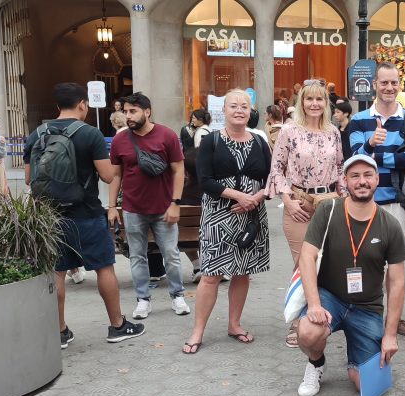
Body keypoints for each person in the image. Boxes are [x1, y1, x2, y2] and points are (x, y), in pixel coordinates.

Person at [24, 82, 145, 348]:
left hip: (49, 216)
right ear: (82, 104)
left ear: (57, 106)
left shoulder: (36, 134)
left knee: (56, 271)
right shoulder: (89, 134)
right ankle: (117, 325)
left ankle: (60, 332)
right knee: (103, 267)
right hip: (86, 212)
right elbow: (107, 175)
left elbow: (28, 178)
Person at [294, 155, 405, 396]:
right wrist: (314, 304)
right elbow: (306, 257)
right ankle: (316, 362)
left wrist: (390, 335)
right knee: (307, 332)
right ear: (345, 181)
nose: (362, 181)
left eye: (368, 175)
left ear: (377, 180)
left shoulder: (390, 224)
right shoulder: (328, 210)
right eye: (355, 176)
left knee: (365, 385)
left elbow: (397, 283)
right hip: (330, 298)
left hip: (367, 308)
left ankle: (358, 354)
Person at [182, 89, 271, 354]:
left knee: (242, 272)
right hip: (219, 215)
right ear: (224, 110)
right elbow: (205, 179)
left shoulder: (259, 141)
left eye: (245, 106)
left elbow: (272, 177)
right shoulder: (212, 141)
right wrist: (239, 197)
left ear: (251, 111)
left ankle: (234, 324)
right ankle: (197, 331)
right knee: (211, 274)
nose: (239, 110)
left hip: (251, 215)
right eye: (234, 106)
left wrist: (255, 197)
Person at [345, 61, 405, 336]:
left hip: (395, 204)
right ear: (375, 85)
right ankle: (368, 315)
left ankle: (395, 317)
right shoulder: (358, 120)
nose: (389, 88)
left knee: (394, 265)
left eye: (394, 83)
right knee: (364, 261)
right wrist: (369, 145)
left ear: (399, 85)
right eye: (384, 83)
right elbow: (354, 159)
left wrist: (375, 156)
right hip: (363, 204)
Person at [267, 80, 343, 348]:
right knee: (303, 263)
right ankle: (298, 320)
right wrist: (287, 201)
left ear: (326, 103)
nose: (314, 104)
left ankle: (323, 313)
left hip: (330, 203)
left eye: (319, 99)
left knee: (329, 262)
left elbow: (341, 168)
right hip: (299, 203)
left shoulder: (333, 132)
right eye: (309, 99)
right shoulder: (289, 131)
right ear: (301, 103)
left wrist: (346, 203)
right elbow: (277, 169)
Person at [108, 92, 190, 319]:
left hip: (164, 207)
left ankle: (177, 295)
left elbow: (178, 170)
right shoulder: (120, 140)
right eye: (125, 112)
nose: (128, 116)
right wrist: (112, 206)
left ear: (147, 111)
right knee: (137, 256)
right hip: (133, 209)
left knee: (171, 255)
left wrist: (175, 203)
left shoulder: (167, 135)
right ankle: (143, 299)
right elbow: (116, 175)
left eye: (132, 111)